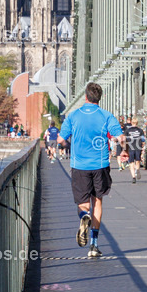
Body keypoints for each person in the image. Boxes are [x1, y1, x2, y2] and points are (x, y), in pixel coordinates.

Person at [58, 83, 122, 258]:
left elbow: (60, 139)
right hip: (100, 165)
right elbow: (120, 137)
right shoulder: (106, 116)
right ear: (99, 98)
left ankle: (83, 216)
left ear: (85, 97)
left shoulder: (73, 116)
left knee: (83, 203)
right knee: (98, 203)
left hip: (79, 166)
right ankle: (93, 245)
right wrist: (124, 151)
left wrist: (70, 145)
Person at [123, 116, 146, 183]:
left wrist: (124, 149)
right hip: (138, 147)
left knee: (131, 162)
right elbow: (143, 140)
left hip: (130, 147)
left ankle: (133, 177)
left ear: (131, 122)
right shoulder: (140, 130)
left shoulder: (127, 130)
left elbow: (125, 140)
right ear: (137, 123)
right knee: (137, 160)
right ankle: (137, 170)